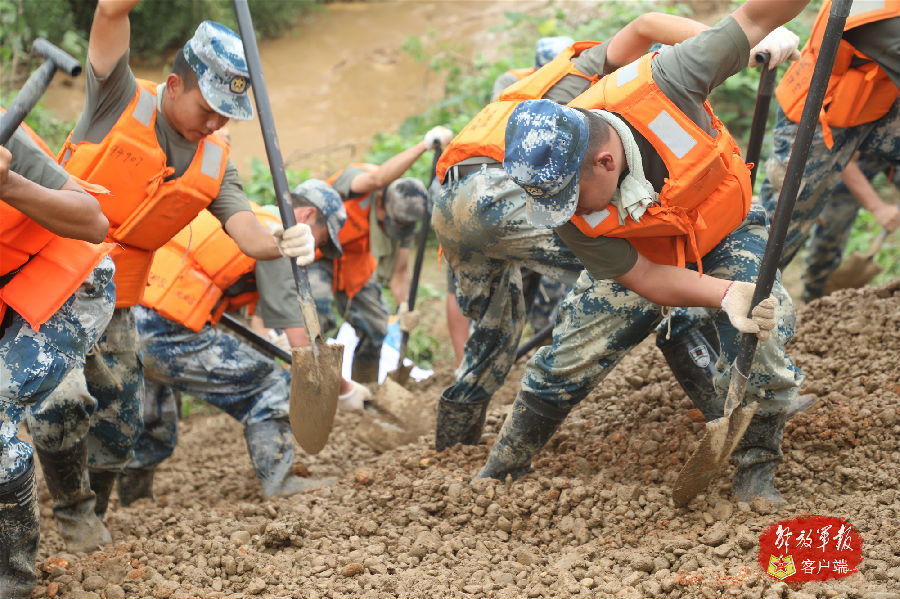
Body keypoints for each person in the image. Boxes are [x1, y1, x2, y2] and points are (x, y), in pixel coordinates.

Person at [434, 1, 808, 504]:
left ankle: (756, 471)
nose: (565, 213)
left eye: (572, 198)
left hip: (725, 230)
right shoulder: (563, 208)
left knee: (762, 334)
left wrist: (738, 295)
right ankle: (500, 469)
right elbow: (647, 279)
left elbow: (757, 17)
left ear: (605, 161)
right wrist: (722, 294)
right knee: (563, 362)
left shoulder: (669, 80)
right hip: (646, 254)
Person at [27, 0, 318, 555]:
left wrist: (280, 240)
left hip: (114, 302)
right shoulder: (118, 97)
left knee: (120, 421)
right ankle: (71, 512)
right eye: (210, 107)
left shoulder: (215, 160)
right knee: (62, 401)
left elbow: (244, 231)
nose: (216, 122)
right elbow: (111, 14)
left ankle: (95, 509)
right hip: (52, 277)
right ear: (176, 84)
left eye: (227, 114)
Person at [118, 179, 350, 506]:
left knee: (152, 419)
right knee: (271, 386)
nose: (320, 250)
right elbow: (300, 339)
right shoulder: (278, 238)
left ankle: (133, 504)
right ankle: (280, 484)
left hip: (125, 317)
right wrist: (344, 389)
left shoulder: (244, 217)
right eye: (324, 239)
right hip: (166, 329)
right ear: (309, 216)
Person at [1, 120, 115, 598]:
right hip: (7, 299)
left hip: (65, 284)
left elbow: (92, 219)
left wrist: (7, 184)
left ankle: (14, 582)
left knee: (54, 410)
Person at [760, 0, 899, 302]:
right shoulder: (882, 15)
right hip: (823, 118)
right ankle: (814, 297)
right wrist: (877, 206)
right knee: (784, 229)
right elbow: (842, 160)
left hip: (877, 105)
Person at [313, 129, 452, 383]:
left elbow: (399, 272)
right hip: (316, 254)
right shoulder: (362, 181)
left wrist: (404, 308)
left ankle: (363, 392)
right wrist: (423, 146)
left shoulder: (406, 217)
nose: (393, 231)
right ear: (382, 203)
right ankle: (311, 387)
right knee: (315, 319)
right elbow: (376, 179)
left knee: (376, 327)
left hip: (355, 262)